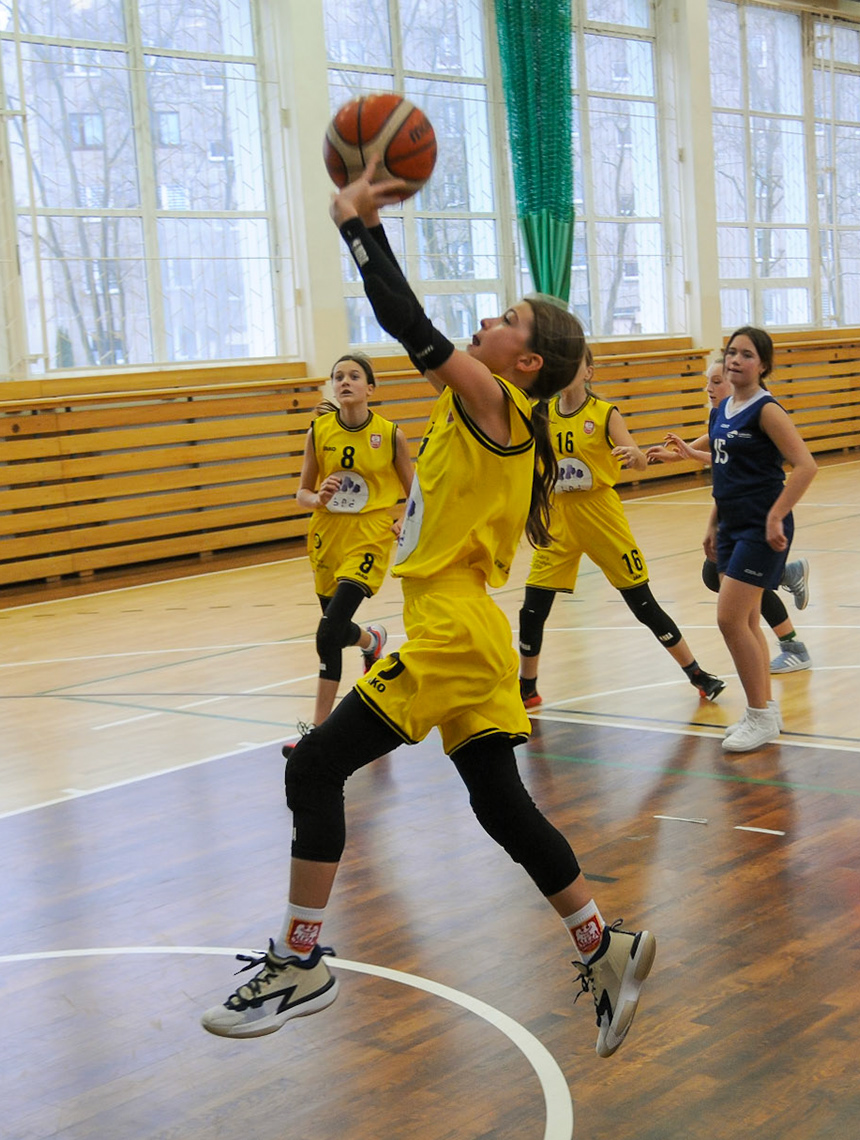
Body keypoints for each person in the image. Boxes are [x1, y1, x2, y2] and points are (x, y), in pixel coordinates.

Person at [202, 164, 655, 1058]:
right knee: (499, 802)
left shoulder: (495, 401)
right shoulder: (484, 410)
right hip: (470, 628)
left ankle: (299, 961)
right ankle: (605, 945)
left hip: (452, 631)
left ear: (526, 361)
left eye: (506, 320)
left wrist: (357, 227)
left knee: (313, 769)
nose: (487, 321)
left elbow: (406, 320)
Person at [516, 349, 727, 709]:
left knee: (643, 603)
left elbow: (640, 461)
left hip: (601, 515)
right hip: (559, 517)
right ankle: (527, 688)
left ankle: (697, 674)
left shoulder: (604, 413)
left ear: (588, 372)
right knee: (532, 609)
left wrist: (636, 457)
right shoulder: (542, 413)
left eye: (573, 364)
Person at [285, 352, 413, 759]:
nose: (345, 381)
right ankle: (371, 640)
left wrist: (403, 522)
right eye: (338, 376)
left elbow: (417, 494)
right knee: (335, 629)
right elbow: (302, 493)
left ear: (370, 388)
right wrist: (317, 498)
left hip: (369, 536)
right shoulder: (318, 431)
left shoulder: (390, 434)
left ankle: (317, 735)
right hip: (327, 535)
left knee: (327, 633)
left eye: (354, 376)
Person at [653, 353, 812, 674]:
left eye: (716, 381)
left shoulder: (761, 412)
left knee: (733, 596)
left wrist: (689, 454)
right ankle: (785, 581)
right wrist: (680, 455)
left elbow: (733, 457)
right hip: (732, 513)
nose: (709, 389)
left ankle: (792, 645)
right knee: (724, 582)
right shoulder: (721, 413)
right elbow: (717, 443)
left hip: (758, 515)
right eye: (707, 382)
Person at [703, 328, 818, 752]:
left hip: (761, 529)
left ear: (763, 365)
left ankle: (760, 716)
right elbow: (724, 473)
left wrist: (776, 514)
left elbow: (805, 466)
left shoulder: (766, 410)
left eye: (746, 354)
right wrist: (712, 524)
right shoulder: (722, 409)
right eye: (731, 352)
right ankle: (763, 710)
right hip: (731, 525)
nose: (735, 360)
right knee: (747, 620)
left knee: (730, 619)